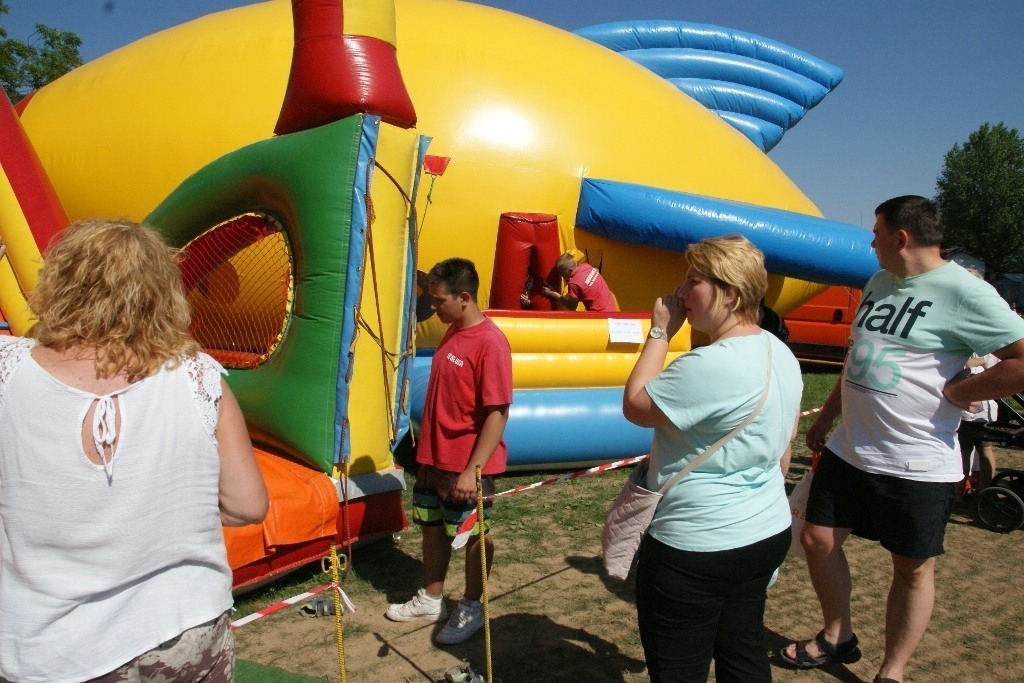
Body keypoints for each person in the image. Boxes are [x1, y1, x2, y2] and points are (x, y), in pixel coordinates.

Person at [0, 218, 268, 682]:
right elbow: (248, 506)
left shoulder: (9, 371)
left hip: (53, 647)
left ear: (61, 284)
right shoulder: (198, 376)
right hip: (187, 628)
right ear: (162, 293)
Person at [782, 196, 1024, 683]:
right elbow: (860, 356)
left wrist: (963, 390)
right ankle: (837, 635)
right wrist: (828, 414)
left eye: (876, 232)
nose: (870, 242)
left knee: (911, 569)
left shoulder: (963, 291)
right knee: (816, 537)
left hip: (917, 462)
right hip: (850, 447)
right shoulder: (878, 281)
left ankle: (890, 673)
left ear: (902, 237)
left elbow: (1021, 358)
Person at [623, 234, 802, 682]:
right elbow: (785, 441)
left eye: (693, 281)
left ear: (731, 293)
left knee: (678, 668)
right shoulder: (780, 351)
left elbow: (636, 405)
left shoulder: (711, 363)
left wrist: (660, 330)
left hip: (697, 546)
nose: (681, 293)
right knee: (742, 651)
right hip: (765, 531)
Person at [386, 257, 513, 645]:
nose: (432, 308)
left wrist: (470, 471)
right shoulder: (453, 328)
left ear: (464, 297)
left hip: (465, 465)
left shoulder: (490, 343)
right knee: (432, 526)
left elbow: (497, 413)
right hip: (432, 457)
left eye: (438, 301)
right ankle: (432, 598)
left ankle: (473, 607)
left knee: (475, 535)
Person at [956, 353, 999, 496]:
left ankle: (959, 493)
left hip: (973, 409)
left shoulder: (977, 350)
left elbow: (965, 363)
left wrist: (979, 361)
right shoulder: (998, 349)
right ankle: (984, 491)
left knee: (965, 451)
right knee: (984, 449)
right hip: (984, 408)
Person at [539, 252, 618, 312]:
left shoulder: (574, 283)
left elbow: (571, 307)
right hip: (612, 310)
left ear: (569, 270)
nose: (560, 275)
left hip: (599, 317)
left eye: (562, 273)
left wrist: (553, 294)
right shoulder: (587, 266)